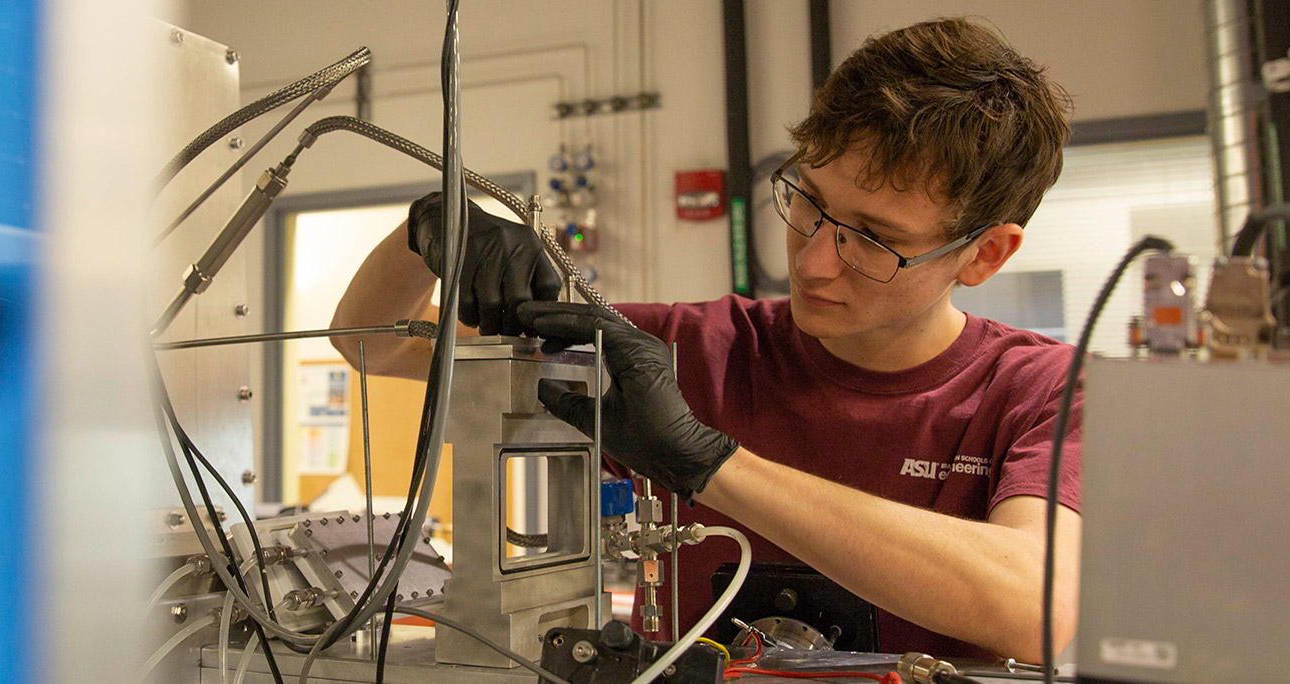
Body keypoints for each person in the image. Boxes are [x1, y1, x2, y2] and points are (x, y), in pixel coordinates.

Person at [328, 17, 1078, 662]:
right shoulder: (686, 351)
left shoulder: (1039, 389)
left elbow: (1032, 607)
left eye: (875, 239)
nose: (813, 261)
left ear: (985, 255)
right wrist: (428, 232)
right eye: (809, 203)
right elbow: (369, 346)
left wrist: (707, 462)